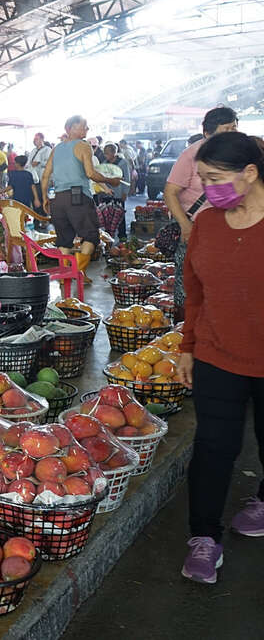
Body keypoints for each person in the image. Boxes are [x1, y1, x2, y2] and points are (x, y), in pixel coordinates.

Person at [176, 131, 264, 584]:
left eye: (216, 179)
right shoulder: (208, 224)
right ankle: (204, 536)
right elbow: (195, 293)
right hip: (217, 354)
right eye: (204, 180)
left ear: (249, 173)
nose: (209, 191)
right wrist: (188, 346)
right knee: (213, 447)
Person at [164, 107, 238, 320]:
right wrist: (186, 226)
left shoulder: (239, 156)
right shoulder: (192, 155)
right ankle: (186, 332)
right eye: (226, 129)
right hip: (196, 229)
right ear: (208, 133)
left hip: (229, 230)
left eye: (234, 127)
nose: (232, 133)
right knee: (190, 284)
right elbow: (170, 192)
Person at [39, 115, 121, 282]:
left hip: (58, 199)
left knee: (64, 239)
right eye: (84, 126)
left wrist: (45, 198)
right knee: (91, 236)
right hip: (78, 197)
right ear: (70, 128)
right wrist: (110, 180)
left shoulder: (56, 149)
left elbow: (45, 176)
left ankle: (65, 276)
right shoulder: (83, 146)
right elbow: (90, 174)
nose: (87, 129)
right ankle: (77, 271)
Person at [99, 143, 132, 239]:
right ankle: (108, 236)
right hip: (107, 194)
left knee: (120, 216)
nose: (105, 155)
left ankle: (122, 236)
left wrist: (125, 193)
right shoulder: (104, 163)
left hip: (119, 193)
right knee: (107, 216)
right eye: (104, 153)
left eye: (107, 153)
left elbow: (127, 180)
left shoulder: (123, 163)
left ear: (114, 153)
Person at [26, 133, 52, 200]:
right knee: (35, 197)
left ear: (42, 139)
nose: (34, 141)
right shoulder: (33, 150)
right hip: (34, 178)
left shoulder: (47, 149)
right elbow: (28, 162)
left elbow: (50, 163)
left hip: (43, 177)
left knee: (43, 197)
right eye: (34, 139)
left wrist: (39, 163)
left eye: (36, 139)